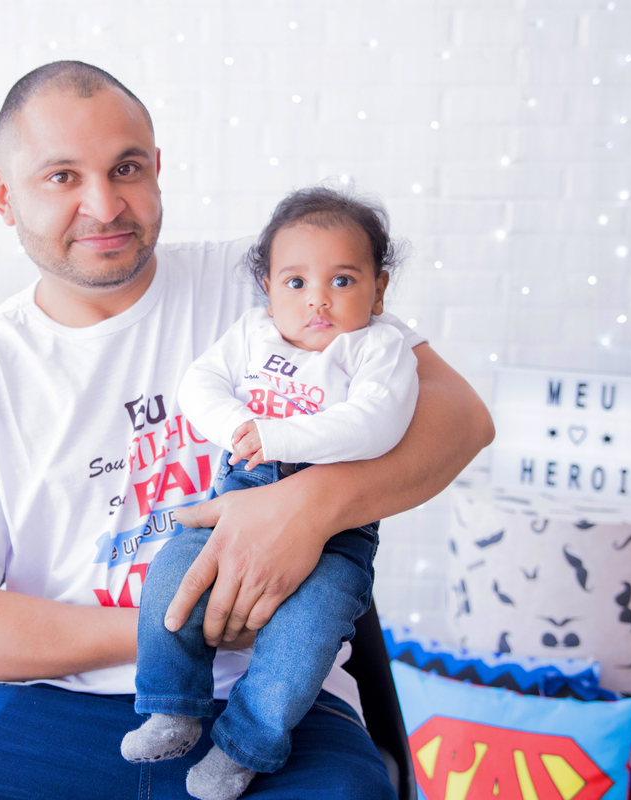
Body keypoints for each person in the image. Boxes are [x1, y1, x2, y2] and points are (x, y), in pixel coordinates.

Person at [0, 60, 493, 799]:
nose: (104, 205)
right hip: (41, 699)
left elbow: (461, 418)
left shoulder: (266, 281)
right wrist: (179, 622)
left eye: (126, 167)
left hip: (267, 691)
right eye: (62, 177)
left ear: (159, 168)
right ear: (1, 194)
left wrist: (304, 511)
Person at [123, 186, 419, 800]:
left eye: (342, 281)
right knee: (170, 583)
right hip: (240, 489)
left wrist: (276, 432)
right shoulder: (253, 333)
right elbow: (198, 383)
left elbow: (375, 424)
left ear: (379, 289)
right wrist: (237, 427)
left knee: (304, 638)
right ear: (267, 288)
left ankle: (244, 746)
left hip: (339, 532)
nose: (317, 300)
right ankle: (173, 706)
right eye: (295, 282)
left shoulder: (378, 347)